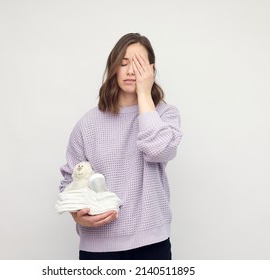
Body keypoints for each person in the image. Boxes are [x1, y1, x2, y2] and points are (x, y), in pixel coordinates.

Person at [59, 33, 183, 260]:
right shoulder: (88, 123)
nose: (131, 71)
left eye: (139, 64)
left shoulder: (165, 114)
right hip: (96, 245)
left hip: (151, 243)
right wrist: (76, 214)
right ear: (113, 68)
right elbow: (70, 180)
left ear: (151, 70)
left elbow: (158, 150)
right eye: (123, 63)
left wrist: (144, 93)